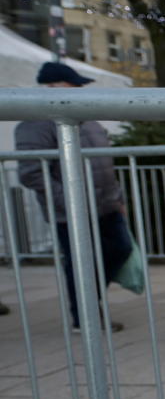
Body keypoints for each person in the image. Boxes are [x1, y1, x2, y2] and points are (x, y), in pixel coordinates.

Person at [17, 61, 130, 332]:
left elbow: (105, 164)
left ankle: (91, 301)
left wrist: (118, 199)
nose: (80, 90)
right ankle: (85, 316)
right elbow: (31, 172)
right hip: (71, 210)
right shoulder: (35, 124)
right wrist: (69, 199)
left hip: (105, 204)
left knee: (119, 249)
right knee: (80, 263)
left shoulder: (87, 119)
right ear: (53, 88)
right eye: (74, 85)